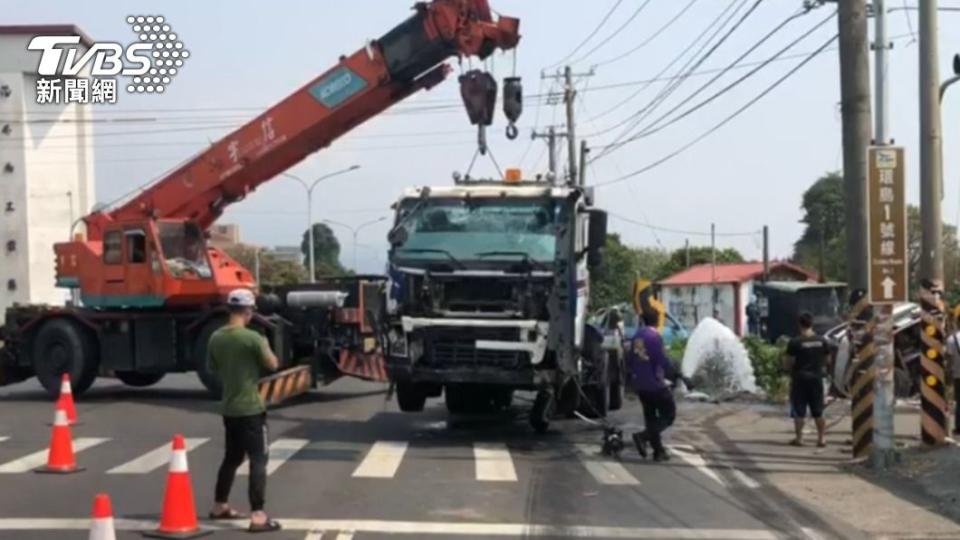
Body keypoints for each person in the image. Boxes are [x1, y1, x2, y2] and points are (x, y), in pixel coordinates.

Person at [207, 289, 281, 533]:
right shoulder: (252, 338)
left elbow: (213, 368)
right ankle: (258, 515)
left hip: (229, 408)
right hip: (251, 409)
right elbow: (273, 364)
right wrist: (266, 344)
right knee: (259, 459)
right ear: (248, 311)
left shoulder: (216, 337)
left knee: (232, 458)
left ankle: (220, 505)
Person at [626, 308, 677, 462]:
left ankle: (658, 451)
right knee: (669, 415)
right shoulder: (655, 337)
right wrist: (675, 375)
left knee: (651, 418)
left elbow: (633, 360)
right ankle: (643, 437)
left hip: (641, 384)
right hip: (655, 384)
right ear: (657, 321)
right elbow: (662, 361)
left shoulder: (638, 336)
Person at [783, 312, 828, 447]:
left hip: (800, 379)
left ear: (799, 324)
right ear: (812, 323)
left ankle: (799, 438)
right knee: (818, 410)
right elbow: (828, 360)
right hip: (816, 378)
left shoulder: (795, 342)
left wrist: (788, 371)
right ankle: (821, 439)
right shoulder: (822, 341)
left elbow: (788, 363)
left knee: (799, 410)